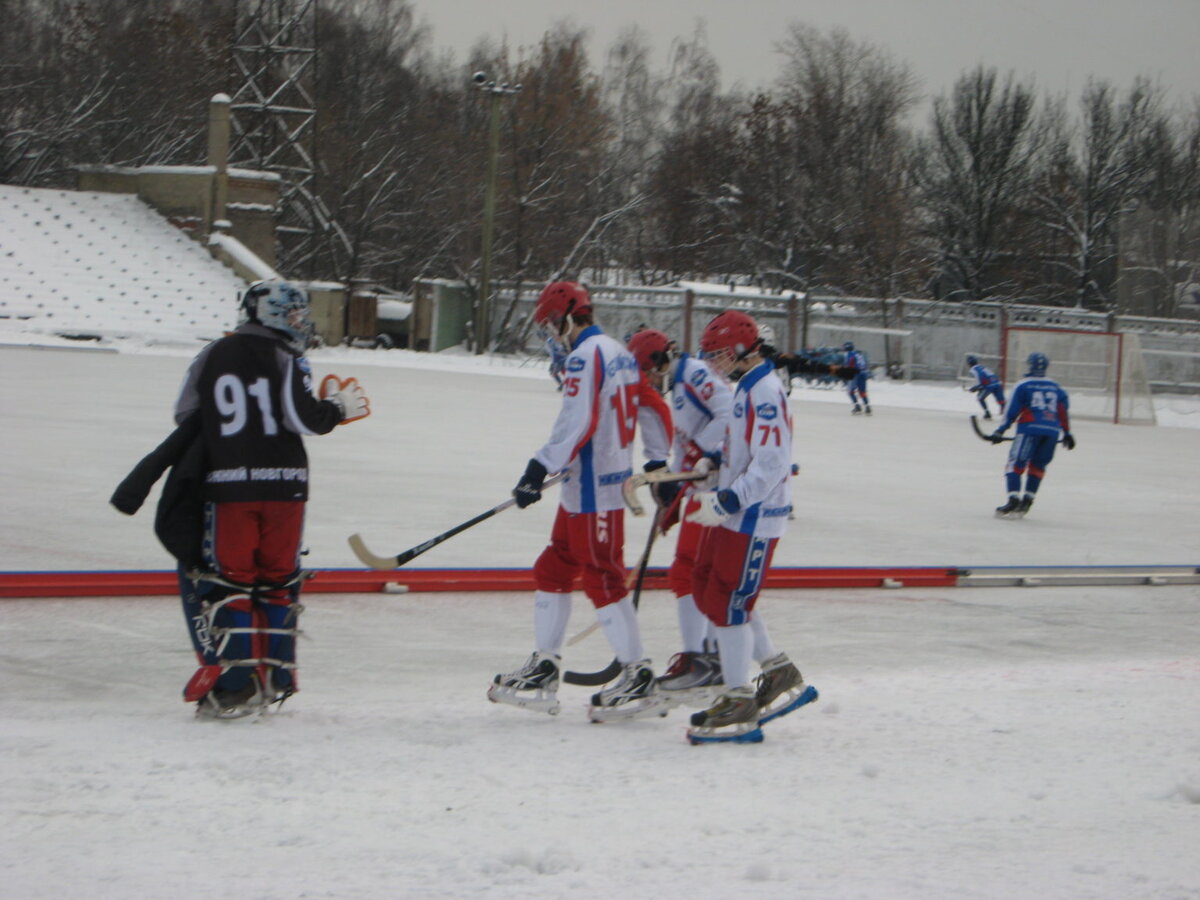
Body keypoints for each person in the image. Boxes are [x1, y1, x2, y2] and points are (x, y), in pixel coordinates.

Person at [171, 279, 370, 718]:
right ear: (273, 314)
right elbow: (301, 417)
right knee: (279, 581)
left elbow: (185, 415)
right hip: (287, 487)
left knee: (231, 583)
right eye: (295, 315)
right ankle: (276, 677)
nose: (300, 323)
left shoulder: (213, 354)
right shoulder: (289, 358)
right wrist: (335, 408)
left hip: (230, 487)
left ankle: (235, 686)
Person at [488, 281, 663, 721]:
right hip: (584, 484)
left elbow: (578, 419)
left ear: (569, 315)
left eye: (551, 323)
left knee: (602, 576)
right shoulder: (618, 351)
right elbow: (652, 405)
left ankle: (637, 674)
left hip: (596, 488)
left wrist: (537, 467)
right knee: (554, 567)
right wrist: (657, 458)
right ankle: (546, 665)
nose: (551, 333)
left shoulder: (586, 356)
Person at [683, 310, 821, 744]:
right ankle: (776, 670)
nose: (714, 363)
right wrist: (716, 466)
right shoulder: (746, 386)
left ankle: (739, 697)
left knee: (727, 599)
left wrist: (730, 497)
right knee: (708, 586)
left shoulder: (764, 390)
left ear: (742, 350)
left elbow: (773, 462)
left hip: (755, 515)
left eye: (719, 354)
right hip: (738, 510)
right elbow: (745, 449)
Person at [628, 327, 732, 709]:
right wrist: (672, 485)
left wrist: (707, 456)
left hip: (715, 488)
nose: (649, 380)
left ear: (658, 359)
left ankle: (700, 659)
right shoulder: (681, 380)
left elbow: (730, 413)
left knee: (687, 571)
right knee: (694, 571)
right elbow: (685, 444)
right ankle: (707, 654)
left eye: (647, 370)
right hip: (701, 487)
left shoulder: (694, 374)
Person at [989, 351, 1075, 519]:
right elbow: (1062, 410)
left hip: (1029, 429)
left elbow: (1012, 410)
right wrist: (1067, 433)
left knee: (1015, 464)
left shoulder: (1023, 385)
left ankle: (1013, 499)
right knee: (1038, 466)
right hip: (1051, 432)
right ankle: (1028, 500)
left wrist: (1001, 430)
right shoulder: (1055, 386)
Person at [966, 354, 1006, 419]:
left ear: (969, 363)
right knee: (1001, 401)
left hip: (989, 385)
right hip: (997, 383)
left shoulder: (974, 369)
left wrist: (976, 388)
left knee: (980, 398)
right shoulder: (982, 367)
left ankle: (987, 413)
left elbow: (982, 380)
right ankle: (1010, 414)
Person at [842, 341, 871, 414]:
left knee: (850, 391)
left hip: (856, 374)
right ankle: (867, 406)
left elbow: (849, 365)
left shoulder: (849, 354)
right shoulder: (858, 354)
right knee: (862, 391)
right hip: (863, 373)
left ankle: (857, 406)